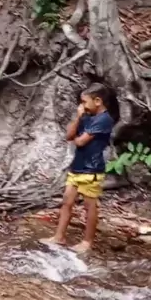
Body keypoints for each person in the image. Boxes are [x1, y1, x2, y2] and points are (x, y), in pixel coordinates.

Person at [41, 83, 119, 254]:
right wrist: (78, 118)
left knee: (89, 207)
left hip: (92, 170)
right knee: (67, 202)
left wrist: (77, 137)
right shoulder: (86, 116)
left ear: (97, 101)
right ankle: (59, 237)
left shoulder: (104, 119)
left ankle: (87, 242)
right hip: (77, 167)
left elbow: (80, 141)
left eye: (84, 102)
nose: (82, 106)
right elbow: (69, 136)